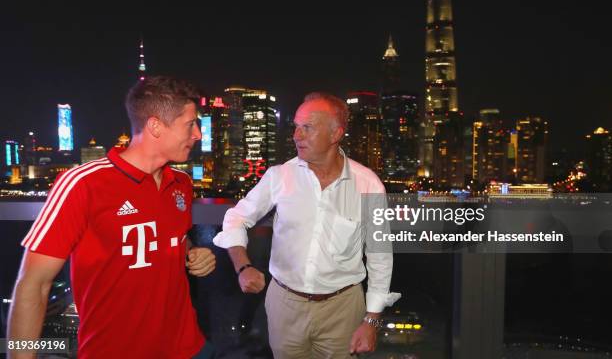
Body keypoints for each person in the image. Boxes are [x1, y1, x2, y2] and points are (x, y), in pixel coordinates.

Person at [7, 76, 216, 359]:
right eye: (190, 124)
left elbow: (172, 238)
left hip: (187, 348)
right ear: (155, 126)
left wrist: (192, 252)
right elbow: (33, 284)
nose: (198, 135)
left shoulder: (181, 182)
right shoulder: (83, 184)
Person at [213, 92, 400, 358]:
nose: (296, 135)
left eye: (307, 128)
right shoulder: (280, 176)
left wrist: (372, 321)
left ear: (336, 134)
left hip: (343, 308)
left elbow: (380, 257)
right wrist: (243, 266)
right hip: (284, 305)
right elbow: (235, 218)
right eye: (296, 127)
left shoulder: (368, 185)